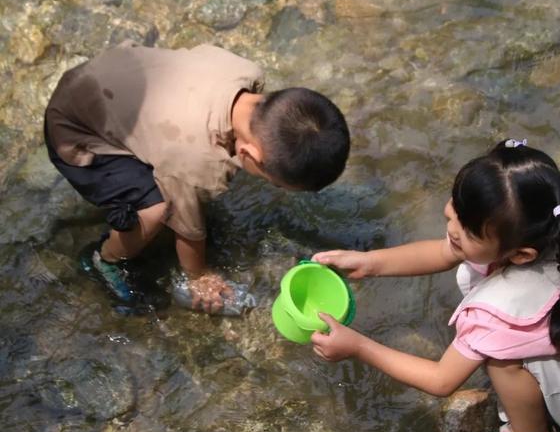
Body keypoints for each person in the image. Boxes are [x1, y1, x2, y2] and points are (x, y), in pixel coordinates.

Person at [310, 139, 560, 432]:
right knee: (479, 289)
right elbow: (443, 251)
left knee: (499, 354)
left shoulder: (503, 307)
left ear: (522, 256)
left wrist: (358, 346)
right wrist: (370, 263)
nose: (452, 228)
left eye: (466, 231)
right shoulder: (543, 230)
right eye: (453, 211)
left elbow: (441, 381)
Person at [45, 40, 350, 312]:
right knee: (155, 211)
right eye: (274, 181)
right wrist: (198, 275)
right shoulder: (196, 163)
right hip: (75, 132)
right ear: (251, 155)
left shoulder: (245, 72)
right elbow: (188, 231)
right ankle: (103, 260)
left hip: (106, 76)